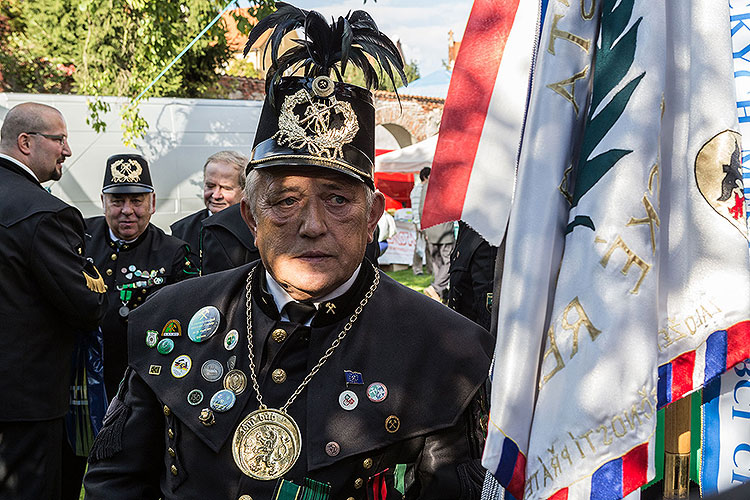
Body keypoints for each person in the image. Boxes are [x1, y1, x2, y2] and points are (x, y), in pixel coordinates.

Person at [84, 5, 493, 499]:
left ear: (372, 218)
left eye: (338, 200)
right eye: (286, 201)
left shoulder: (444, 348)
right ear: (251, 218)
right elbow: (117, 484)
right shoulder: (169, 317)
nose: (313, 226)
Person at [0, 102, 108, 500]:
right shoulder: (46, 214)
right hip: (25, 406)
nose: (67, 149)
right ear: (25, 143)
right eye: (59, 138)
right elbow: (87, 304)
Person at [85, 153, 199, 400]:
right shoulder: (81, 237)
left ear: (153, 202)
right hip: (86, 375)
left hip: (144, 378)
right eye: (117, 201)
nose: (127, 211)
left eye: (137, 200)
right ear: (103, 201)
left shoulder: (174, 252)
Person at [170, 150, 248, 265]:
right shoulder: (181, 232)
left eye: (226, 188)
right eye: (210, 186)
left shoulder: (256, 232)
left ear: (245, 191)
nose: (216, 195)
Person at [447, 221, 499, 332]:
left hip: (473, 340)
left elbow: (487, 319)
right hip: (460, 333)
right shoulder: (467, 227)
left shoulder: (486, 237)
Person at [419, 167, 456, 302]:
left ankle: (439, 293)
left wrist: (425, 230)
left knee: (437, 263)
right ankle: (436, 288)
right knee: (448, 262)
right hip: (444, 229)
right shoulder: (446, 186)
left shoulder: (426, 187)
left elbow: (421, 208)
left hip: (431, 230)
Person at [409, 168, 429, 275]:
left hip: (423, 222)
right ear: (425, 177)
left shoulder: (418, 189)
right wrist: (418, 223)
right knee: (420, 246)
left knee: (426, 245)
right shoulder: (419, 189)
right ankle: (418, 269)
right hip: (420, 222)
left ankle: (428, 269)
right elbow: (416, 208)